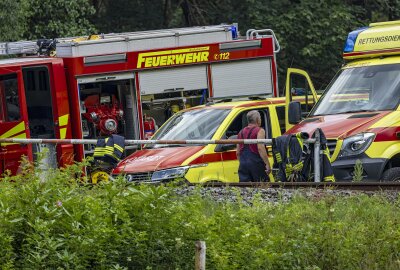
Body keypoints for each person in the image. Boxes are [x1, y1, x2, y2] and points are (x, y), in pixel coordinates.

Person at [236, 110, 271, 182]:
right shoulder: (260, 130)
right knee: (263, 187)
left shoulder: (240, 132)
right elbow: (260, 148)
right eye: (260, 118)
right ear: (258, 120)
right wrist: (267, 164)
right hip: (256, 164)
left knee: (245, 189)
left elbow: (238, 153)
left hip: (243, 164)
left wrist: (243, 163)